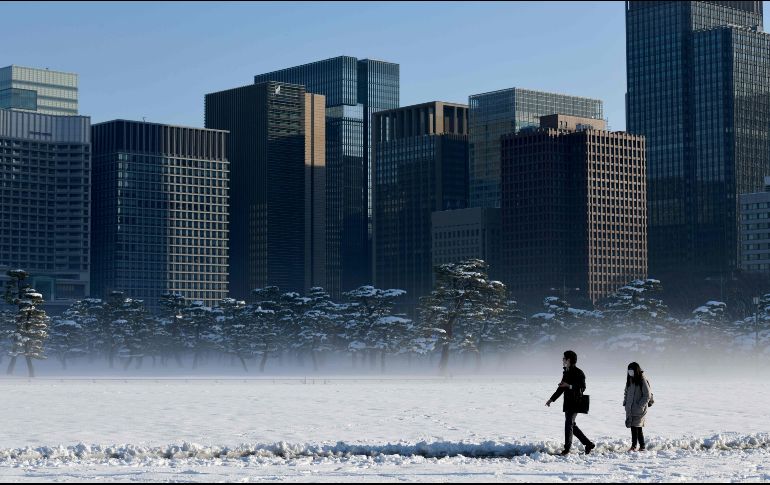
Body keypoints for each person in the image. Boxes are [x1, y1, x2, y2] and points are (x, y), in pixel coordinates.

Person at [545, 350, 595, 456]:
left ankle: (567, 449)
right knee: (572, 425)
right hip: (568, 402)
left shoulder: (579, 372)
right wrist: (551, 399)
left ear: (569, 360)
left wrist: (569, 386)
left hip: (576, 402)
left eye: (564, 358)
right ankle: (588, 444)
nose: (562, 360)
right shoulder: (566, 372)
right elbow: (561, 388)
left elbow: (582, 387)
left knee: (568, 424)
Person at [624, 362, 652, 452]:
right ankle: (641, 446)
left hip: (639, 409)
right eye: (629, 370)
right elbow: (626, 392)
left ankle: (635, 446)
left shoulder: (642, 380)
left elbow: (647, 395)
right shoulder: (630, 380)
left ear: (636, 370)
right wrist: (625, 402)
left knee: (636, 427)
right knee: (636, 427)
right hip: (630, 408)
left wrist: (640, 405)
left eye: (631, 370)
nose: (630, 372)